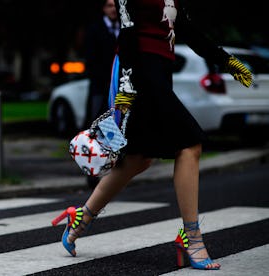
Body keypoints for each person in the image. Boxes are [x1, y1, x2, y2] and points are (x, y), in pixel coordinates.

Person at [52, 0, 253, 271]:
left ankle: (81, 218)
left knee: (138, 159)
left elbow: (186, 29)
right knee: (189, 145)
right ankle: (192, 238)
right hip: (140, 74)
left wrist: (226, 60)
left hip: (160, 72)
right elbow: (127, 33)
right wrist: (126, 86)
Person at [84, 0, 120, 189]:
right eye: (108, 5)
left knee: (114, 132)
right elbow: (91, 60)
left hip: (118, 90)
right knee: (97, 128)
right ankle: (93, 174)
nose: (112, 9)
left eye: (115, 5)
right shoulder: (95, 30)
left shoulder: (123, 28)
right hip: (100, 89)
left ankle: (112, 174)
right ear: (103, 8)